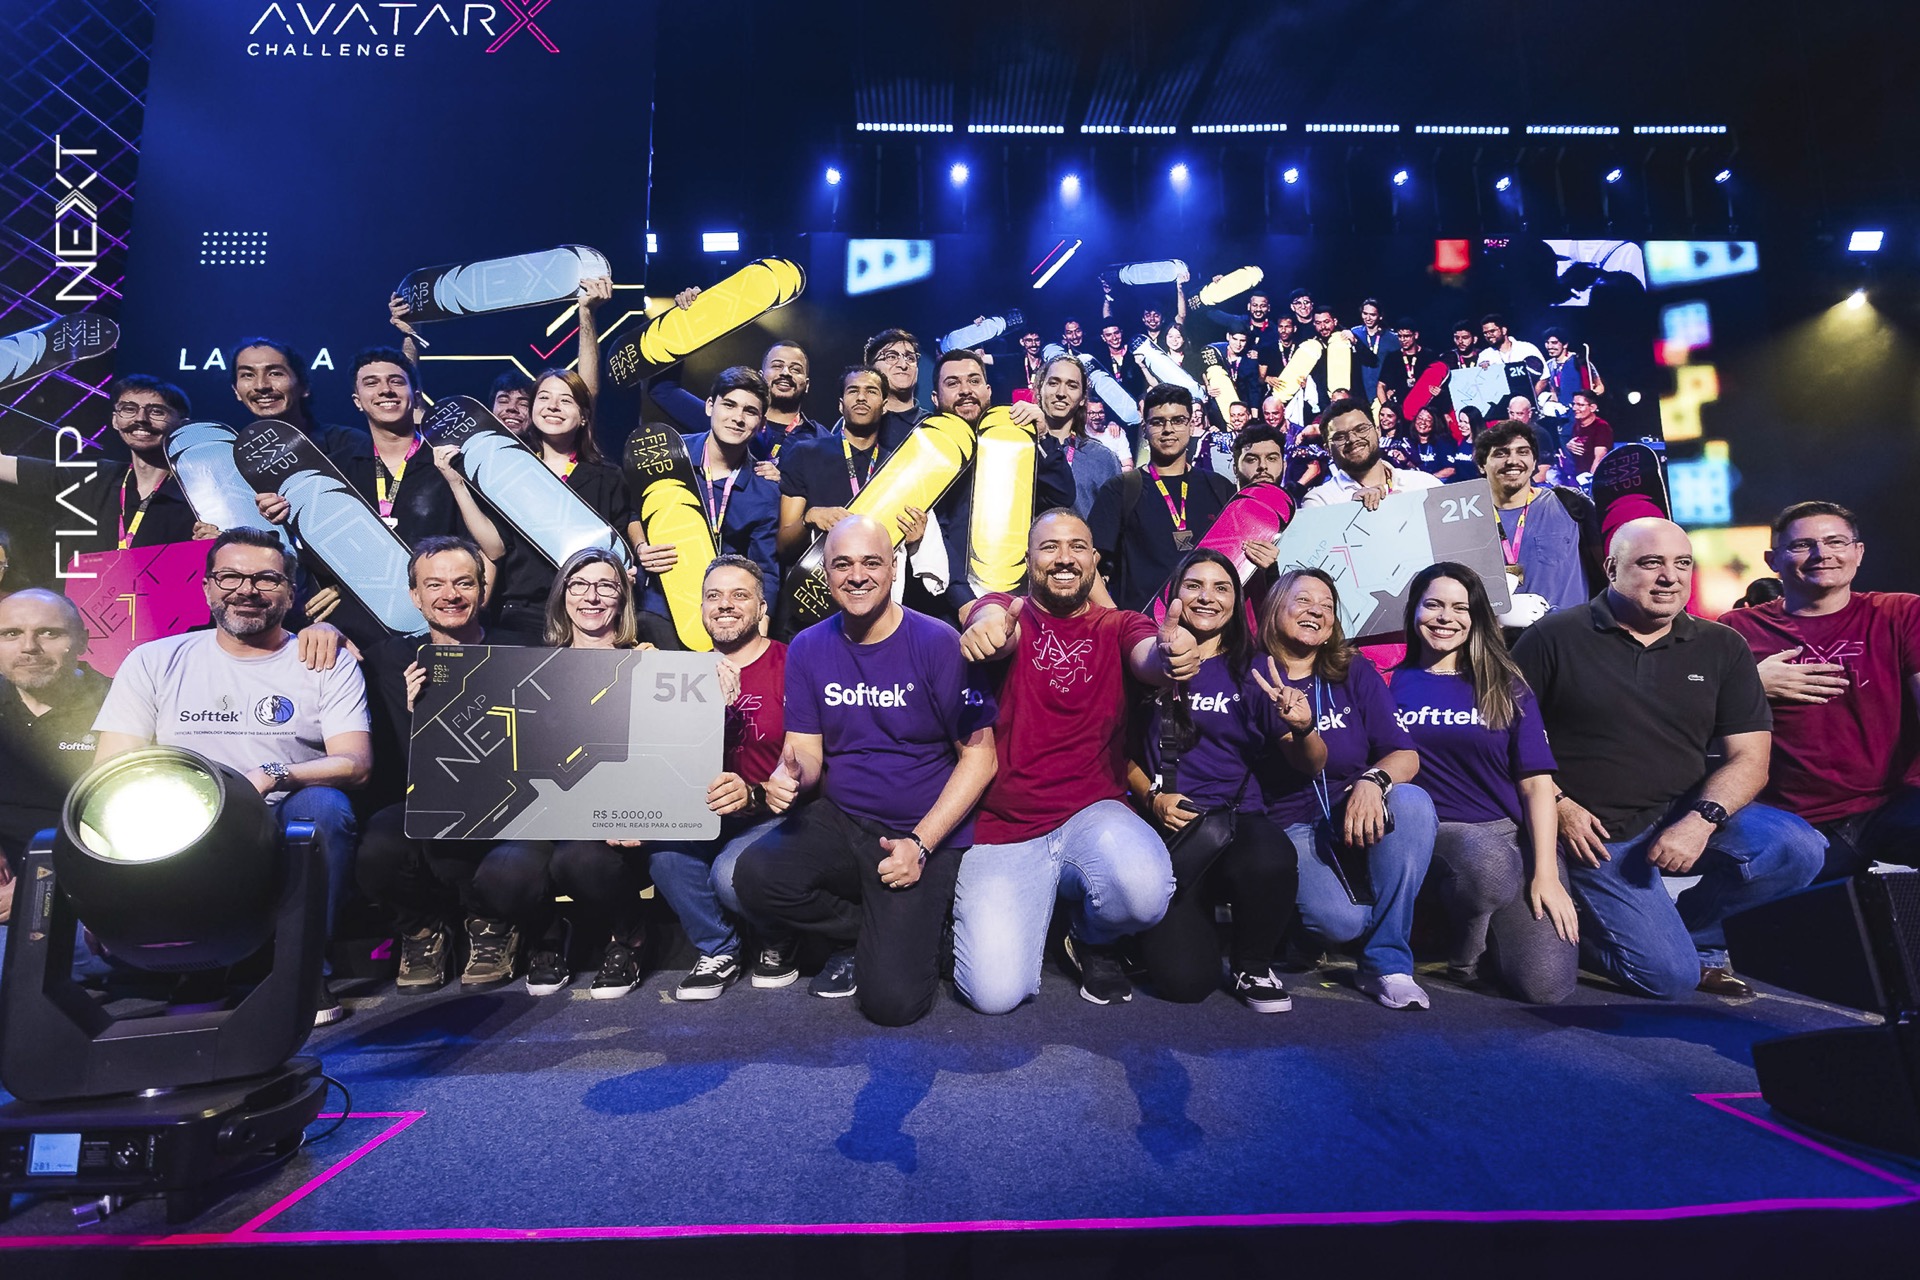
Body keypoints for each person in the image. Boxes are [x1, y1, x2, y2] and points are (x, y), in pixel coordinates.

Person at [1512, 518, 1826, 999]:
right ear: (1611, 568)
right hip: (1597, 835)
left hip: (1681, 811)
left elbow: (1750, 759)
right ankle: (1609, 937)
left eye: (1682, 564)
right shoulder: (1552, 637)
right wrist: (1559, 804)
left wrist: (1700, 821)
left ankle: (1695, 938)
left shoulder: (1722, 645)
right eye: (1651, 563)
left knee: (1796, 847)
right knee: (1667, 980)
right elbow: (1498, 740)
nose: (1670, 577)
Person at [91, 530, 371, 1023]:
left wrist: (271, 774)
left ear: (290, 593)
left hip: (279, 811)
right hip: (183, 816)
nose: (247, 590)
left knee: (325, 809)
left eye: (266, 579)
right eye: (230, 577)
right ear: (207, 588)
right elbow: (111, 770)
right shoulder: (155, 660)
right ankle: (201, 967)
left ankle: (301, 968)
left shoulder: (324, 661)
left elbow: (355, 762)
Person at [732, 516, 997, 1025]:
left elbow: (981, 758)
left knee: (892, 1006)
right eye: (843, 564)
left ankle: (912, 935)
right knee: (755, 875)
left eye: (871, 562)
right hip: (844, 817)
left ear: (893, 568)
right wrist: (790, 776)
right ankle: (870, 933)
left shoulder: (938, 642)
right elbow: (804, 752)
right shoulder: (809, 646)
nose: (857, 575)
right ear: (827, 574)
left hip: (919, 829)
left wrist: (921, 844)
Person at [952, 510, 1197, 1011]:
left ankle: (1089, 935)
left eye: (1077, 547)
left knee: (1144, 891)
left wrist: (1171, 655)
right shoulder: (1008, 610)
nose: (1064, 558)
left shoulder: (1120, 624)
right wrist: (986, 627)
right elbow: (991, 622)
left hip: (1091, 814)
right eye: (1049, 547)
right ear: (1028, 561)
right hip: (1006, 827)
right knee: (993, 996)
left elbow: (1149, 656)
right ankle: (1038, 911)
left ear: (1095, 561)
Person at [557, 555, 790, 1002]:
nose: (725, 604)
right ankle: (719, 949)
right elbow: (651, 757)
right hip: (702, 813)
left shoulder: (790, 662)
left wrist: (760, 794)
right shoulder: (679, 671)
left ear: (762, 608)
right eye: (713, 596)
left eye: (739, 595)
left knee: (729, 875)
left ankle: (777, 936)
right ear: (700, 609)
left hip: (769, 812)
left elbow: (807, 756)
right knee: (664, 854)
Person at [355, 538, 554, 992]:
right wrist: (418, 715)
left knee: (507, 873)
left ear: (482, 591)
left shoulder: (524, 650)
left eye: (464, 583)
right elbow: (333, 644)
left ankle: (490, 925)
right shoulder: (392, 659)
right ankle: (423, 931)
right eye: (435, 585)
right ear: (415, 596)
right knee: (377, 849)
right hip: (433, 797)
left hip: (515, 801)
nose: (451, 595)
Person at [1131, 549, 1322, 1010]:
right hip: (1169, 829)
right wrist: (1153, 798)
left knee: (1273, 855)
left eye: (1221, 588)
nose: (1207, 597)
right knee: (1185, 985)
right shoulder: (1144, 662)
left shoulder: (1255, 669)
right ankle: (1150, 930)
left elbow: (1311, 764)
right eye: (1194, 585)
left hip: (1235, 824)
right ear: (1174, 595)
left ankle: (1252, 965)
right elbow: (1119, 756)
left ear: (1236, 602)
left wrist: (1304, 728)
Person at [1392, 564, 1579, 1003]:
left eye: (1460, 608)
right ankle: (1465, 956)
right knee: (1487, 864)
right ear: (1414, 611)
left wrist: (1546, 875)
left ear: (1477, 616)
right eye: (1433, 605)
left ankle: (1486, 921)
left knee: (1547, 988)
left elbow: (1537, 785)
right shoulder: (1389, 683)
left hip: (1507, 833)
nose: (1445, 617)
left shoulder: (1507, 685)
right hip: (1432, 833)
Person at [1259, 569, 1439, 1009]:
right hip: (1288, 820)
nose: (1317, 611)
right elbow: (1304, 761)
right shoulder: (1251, 671)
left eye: (1327, 605)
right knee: (1341, 924)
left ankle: (1387, 963)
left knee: (1412, 801)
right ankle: (1304, 931)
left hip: (1351, 805)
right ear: (1275, 607)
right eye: (1304, 600)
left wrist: (1373, 779)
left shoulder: (1352, 670)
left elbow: (1405, 754)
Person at [252, 347, 507, 649]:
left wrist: (469, 620)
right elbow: (319, 555)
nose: (385, 390)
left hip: (436, 626)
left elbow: (485, 550)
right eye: (371, 383)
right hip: (356, 632)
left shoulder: (450, 462)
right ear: (357, 401)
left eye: (396, 381)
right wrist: (287, 519)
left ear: (415, 395)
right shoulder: (334, 469)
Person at [1721, 502, 1920, 880]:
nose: (1822, 554)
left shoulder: (1901, 612)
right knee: (1786, 913)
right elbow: (1687, 713)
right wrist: (1751, 685)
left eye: (1835, 542)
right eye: (1802, 545)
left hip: (1897, 803)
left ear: (1858, 552)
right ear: (1772, 560)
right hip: (1798, 821)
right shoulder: (1734, 629)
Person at [534, 547, 675, 997]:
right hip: (550, 813)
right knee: (504, 871)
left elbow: (670, 752)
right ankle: (548, 938)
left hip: (621, 821)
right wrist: (427, 703)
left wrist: (718, 677)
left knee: (577, 859)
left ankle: (629, 936)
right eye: (578, 585)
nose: (591, 597)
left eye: (606, 586)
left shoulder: (650, 658)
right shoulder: (534, 668)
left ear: (623, 597)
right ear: (562, 595)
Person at [488, 368, 642, 642]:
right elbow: (495, 545)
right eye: (544, 398)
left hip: (586, 612)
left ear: (583, 416)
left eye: (566, 400)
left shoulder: (607, 477)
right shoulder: (510, 472)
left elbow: (619, 545)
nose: (553, 406)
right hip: (520, 614)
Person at [0, 375, 208, 568]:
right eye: (129, 409)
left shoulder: (202, 498)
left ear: (182, 426)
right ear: (115, 420)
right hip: (84, 596)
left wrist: (212, 545)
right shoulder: (94, 477)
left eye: (156, 412)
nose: (141, 418)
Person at [637, 366, 781, 619]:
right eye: (729, 405)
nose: (738, 418)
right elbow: (632, 511)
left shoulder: (765, 490)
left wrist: (762, 621)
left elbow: (765, 569)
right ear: (709, 407)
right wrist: (640, 546)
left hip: (726, 611)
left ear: (761, 424)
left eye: (750, 411)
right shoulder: (669, 456)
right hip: (660, 602)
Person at [1088, 385, 1237, 611]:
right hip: (1144, 626)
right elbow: (1086, 564)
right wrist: (1117, 619)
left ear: (1191, 424)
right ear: (1145, 428)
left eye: (1178, 420)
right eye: (1158, 422)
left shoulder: (1219, 487)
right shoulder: (1121, 489)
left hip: (1208, 621)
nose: (1168, 429)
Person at [0, 590, 111, 887]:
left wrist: (39, 885)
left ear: (83, 641)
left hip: (84, 877)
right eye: (11, 634)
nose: (29, 647)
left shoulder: (120, 706)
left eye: (49, 633)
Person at [1475, 420, 1603, 619]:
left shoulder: (1569, 503)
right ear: (1482, 465)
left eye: (1523, 452)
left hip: (1569, 633)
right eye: (1501, 453)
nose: (1512, 460)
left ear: (1534, 462)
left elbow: (1608, 568)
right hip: (1499, 636)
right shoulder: (1468, 521)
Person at [1300, 398, 1443, 510]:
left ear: (1377, 431)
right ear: (1328, 450)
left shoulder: (1424, 484)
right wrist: (1351, 513)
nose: (1353, 439)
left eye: (1361, 429)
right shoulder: (1320, 502)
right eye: (1340, 437)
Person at [1031, 354, 1120, 517]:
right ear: (1039, 390)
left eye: (1072, 386)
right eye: (1053, 383)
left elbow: (1115, 521)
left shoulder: (1102, 458)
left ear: (1083, 398)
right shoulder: (1019, 448)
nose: (1061, 393)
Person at [1477, 314, 1546, 405]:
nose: (1488, 335)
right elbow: (1481, 384)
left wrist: (1529, 401)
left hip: (1527, 405)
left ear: (1504, 330)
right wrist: (1483, 372)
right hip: (1500, 405)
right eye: (1485, 333)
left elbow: (1544, 379)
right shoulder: (1484, 355)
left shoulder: (1527, 348)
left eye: (1492, 331)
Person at [1558, 390, 1612, 481]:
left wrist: (1591, 481)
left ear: (1592, 407)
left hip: (1596, 479)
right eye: (1573, 404)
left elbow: (1599, 458)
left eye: (1580, 405)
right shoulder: (1576, 426)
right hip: (1578, 477)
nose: (1574, 408)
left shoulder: (1601, 427)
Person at [1348, 298, 1388, 402]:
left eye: (1372, 315)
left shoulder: (1392, 338)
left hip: (1382, 392)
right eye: (1365, 314)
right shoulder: (1354, 333)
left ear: (1380, 316)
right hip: (1359, 391)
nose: (1368, 318)